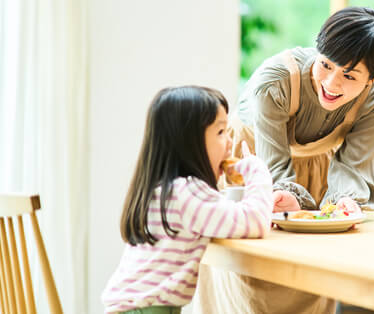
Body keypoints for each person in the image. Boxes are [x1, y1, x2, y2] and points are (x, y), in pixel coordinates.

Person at [197, 6, 374, 313]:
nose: (332, 83)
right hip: (250, 166)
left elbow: (354, 165)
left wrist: (343, 203)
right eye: (326, 65)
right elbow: (272, 165)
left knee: (312, 274)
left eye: (349, 75)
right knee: (249, 278)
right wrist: (283, 195)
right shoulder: (275, 80)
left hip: (317, 169)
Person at [101, 86, 273, 313]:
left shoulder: (162, 190)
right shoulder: (187, 192)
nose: (229, 143)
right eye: (221, 132)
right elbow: (255, 222)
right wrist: (256, 171)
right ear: (190, 143)